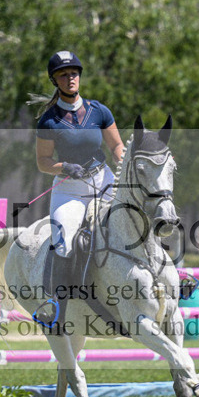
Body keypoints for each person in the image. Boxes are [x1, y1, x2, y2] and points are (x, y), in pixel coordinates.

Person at [33, 50, 124, 326]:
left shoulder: (99, 111)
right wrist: (63, 167)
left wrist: (123, 165)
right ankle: (53, 303)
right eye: (63, 74)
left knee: (139, 217)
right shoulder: (48, 121)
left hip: (103, 180)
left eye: (74, 73)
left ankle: (174, 276)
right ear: (55, 80)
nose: (70, 78)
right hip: (69, 189)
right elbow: (42, 162)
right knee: (63, 242)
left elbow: (116, 146)